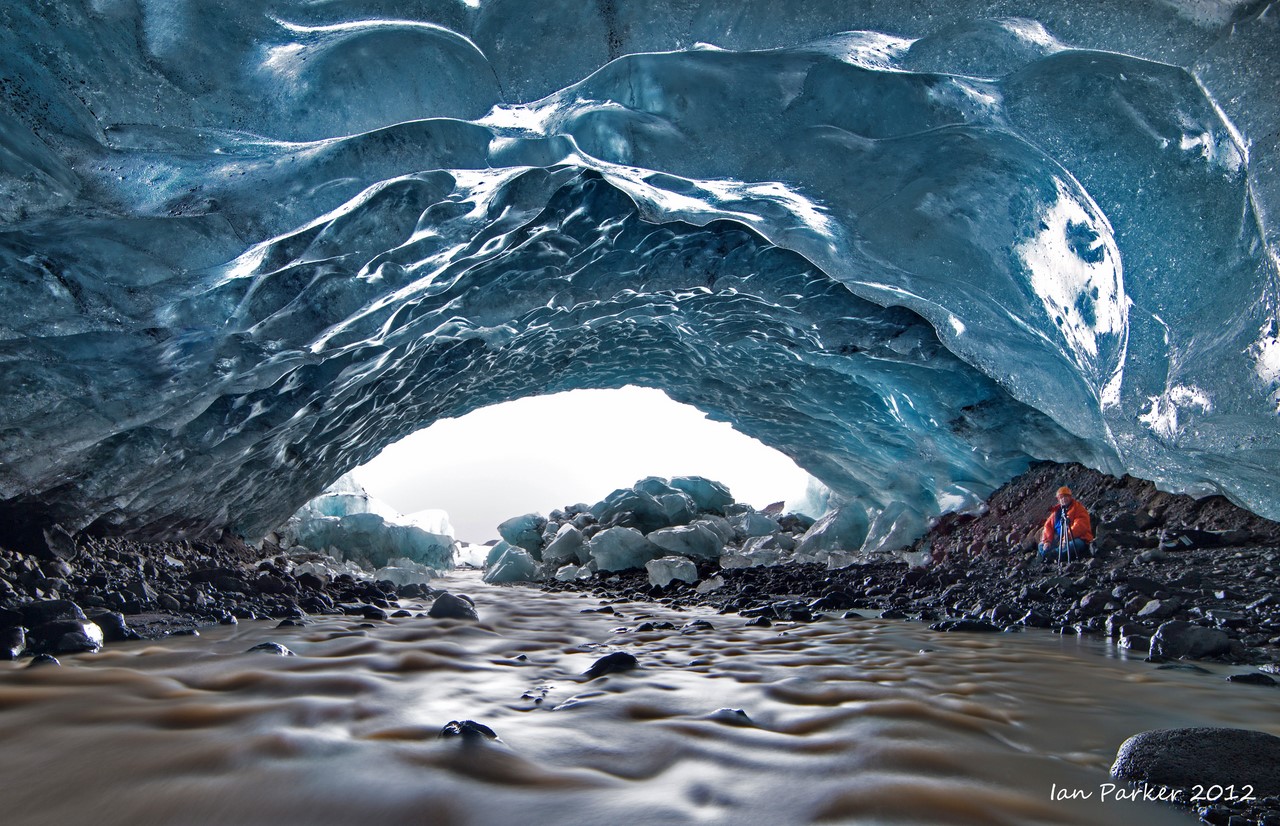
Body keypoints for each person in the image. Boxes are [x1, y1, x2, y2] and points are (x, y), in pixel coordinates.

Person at [1038, 486, 1093, 562]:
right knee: (1041, 545)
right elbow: (1048, 526)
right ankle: (1049, 555)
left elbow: (1080, 525)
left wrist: (1066, 538)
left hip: (1078, 538)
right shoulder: (1056, 511)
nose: (1063, 499)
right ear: (1058, 499)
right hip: (1059, 539)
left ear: (1070, 497)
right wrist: (1047, 541)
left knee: (1072, 545)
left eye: (1066, 496)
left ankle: (1051, 555)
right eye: (1061, 497)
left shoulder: (1078, 508)